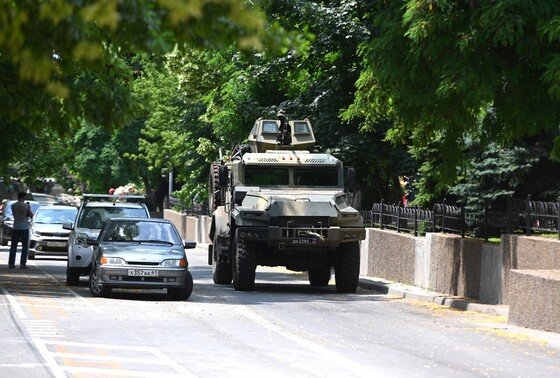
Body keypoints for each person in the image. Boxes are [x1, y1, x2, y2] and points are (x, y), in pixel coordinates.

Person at [8, 192, 34, 269]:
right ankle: (22, 264)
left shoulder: (13, 205)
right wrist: (29, 208)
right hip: (24, 227)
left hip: (16, 226)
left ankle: (11, 263)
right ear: (24, 197)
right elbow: (31, 215)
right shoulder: (26, 206)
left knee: (13, 246)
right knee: (25, 246)